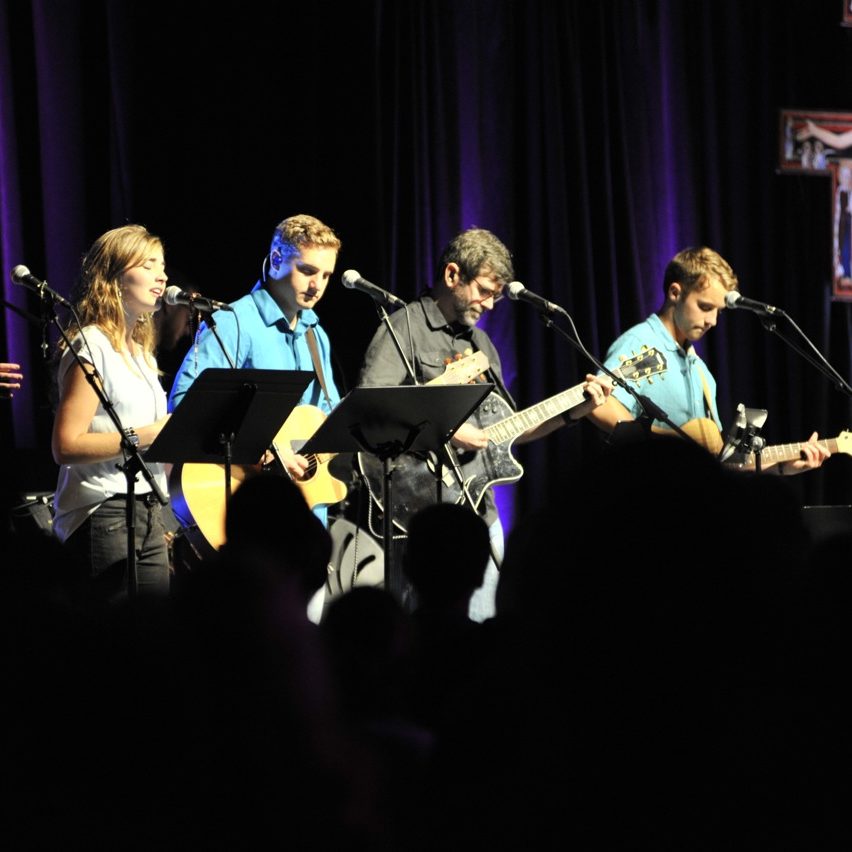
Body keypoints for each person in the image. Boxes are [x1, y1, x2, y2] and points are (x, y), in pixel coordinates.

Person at [357, 226, 611, 622]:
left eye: (497, 295)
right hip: (420, 517)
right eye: (484, 291)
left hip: (480, 515)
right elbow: (372, 405)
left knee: (483, 632)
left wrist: (574, 411)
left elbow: (509, 429)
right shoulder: (402, 328)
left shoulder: (483, 345)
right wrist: (446, 429)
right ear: (452, 275)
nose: (491, 304)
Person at [168, 213, 344, 622]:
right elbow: (185, 405)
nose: (317, 285)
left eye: (326, 275)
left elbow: (328, 417)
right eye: (307, 270)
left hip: (306, 522)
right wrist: (263, 445)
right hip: (249, 519)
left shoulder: (317, 333)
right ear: (277, 259)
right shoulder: (234, 321)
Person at [585, 246, 831, 475]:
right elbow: (600, 404)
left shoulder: (701, 371)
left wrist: (781, 466)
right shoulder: (641, 343)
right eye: (705, 307)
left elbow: (721, 463)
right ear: (675, 293)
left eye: (718, 311)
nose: (713, 321)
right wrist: (667, 440)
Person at [51, 224, 172, 606]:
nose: (162, 276)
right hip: (104, 512)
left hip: (148, 511)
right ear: (116, 277)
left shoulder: (141, 354)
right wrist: (147, 435)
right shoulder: (91, 345)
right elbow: (66, 445)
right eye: (149, 265)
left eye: (162, 266)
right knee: (114, 635)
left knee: (156, 632)